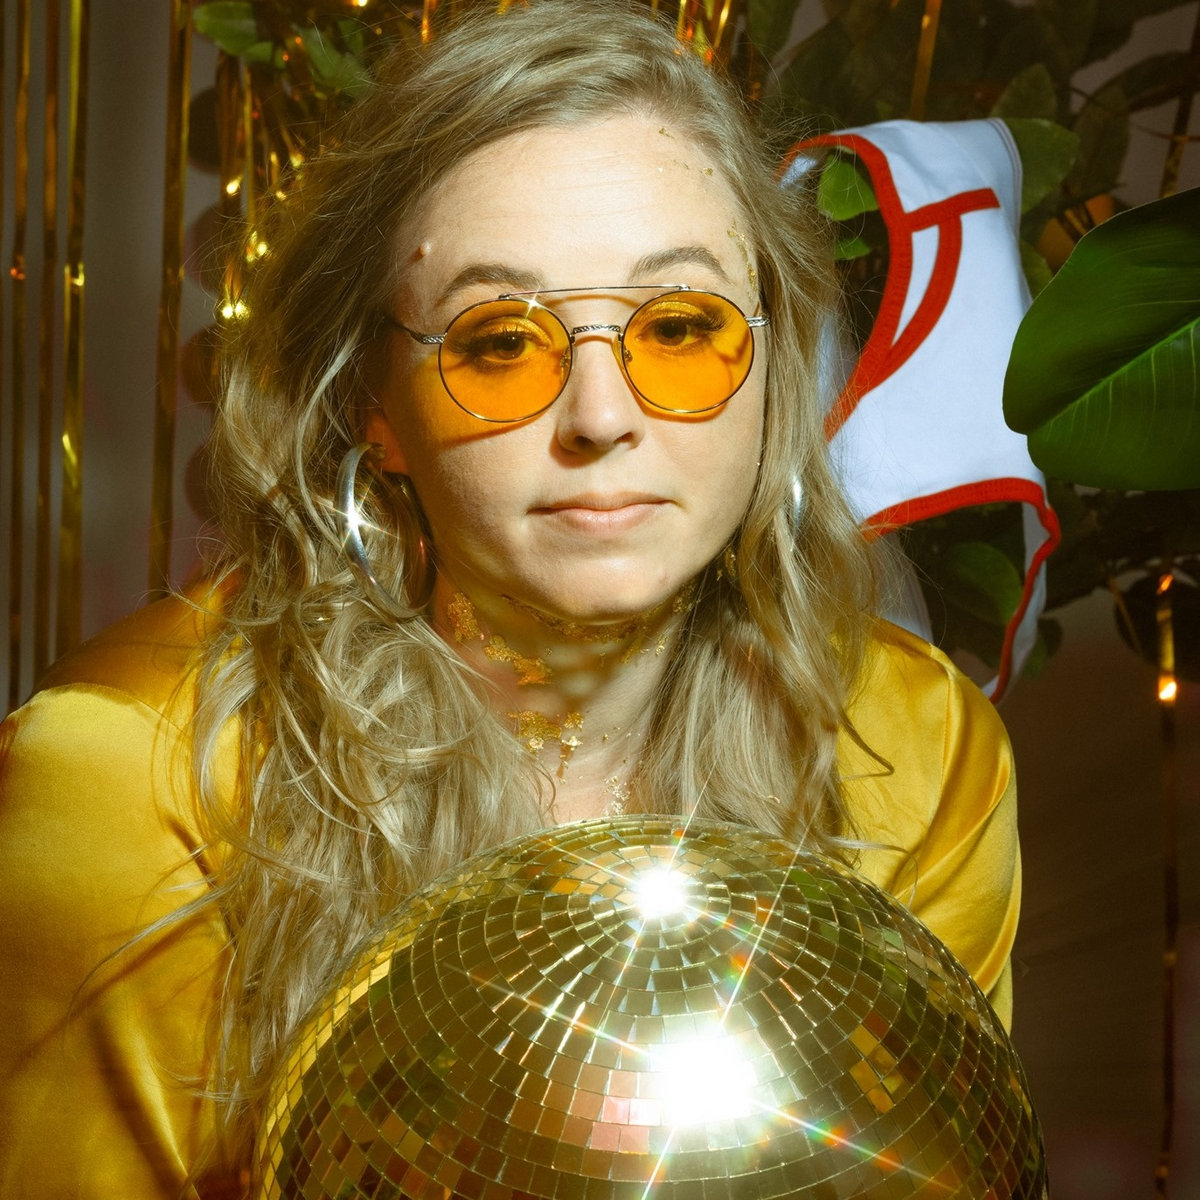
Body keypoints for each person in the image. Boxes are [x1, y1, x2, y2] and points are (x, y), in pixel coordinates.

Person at [0, 2, 1020, 1196]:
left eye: (678, 326)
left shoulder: (918, 749)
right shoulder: (131, 771)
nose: (601, 416)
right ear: (371, 404)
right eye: (497, 343)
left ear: (774, 367)